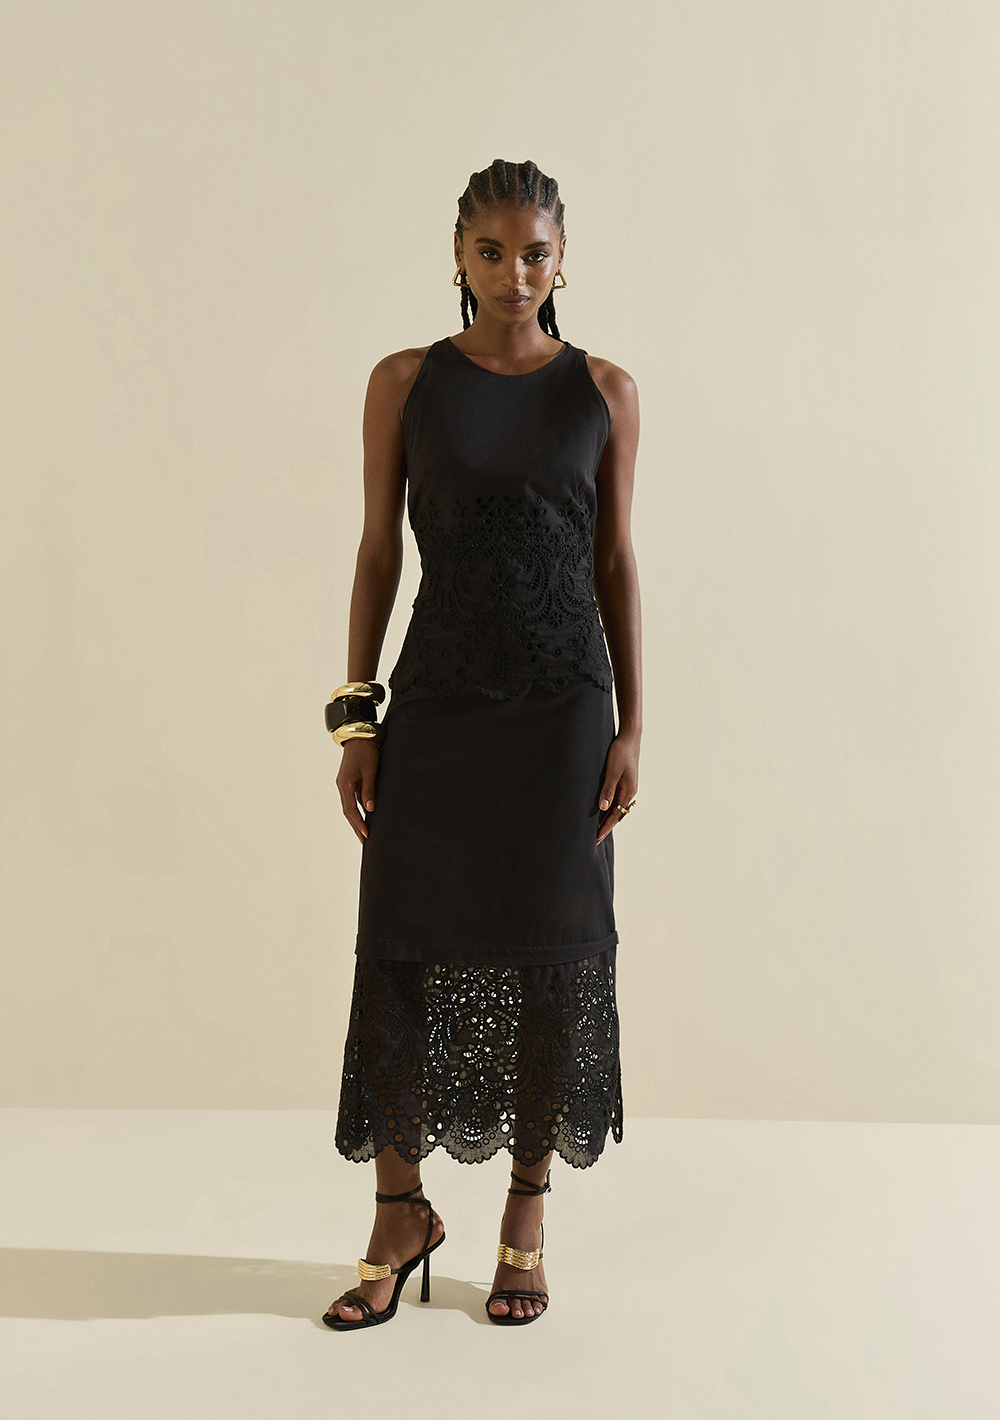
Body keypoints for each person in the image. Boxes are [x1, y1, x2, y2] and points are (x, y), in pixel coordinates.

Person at [322, 159, 641, 1329]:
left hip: (563, 713)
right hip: (439, 704)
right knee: (401, 948)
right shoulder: (405, 383)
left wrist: (633, 726)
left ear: (563, 259)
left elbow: (615, 561)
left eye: (535, 253)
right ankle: (397, 1211)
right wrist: (357, 716)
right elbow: (376, 552)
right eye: (493, 252)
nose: (515, 274)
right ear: (458, 255)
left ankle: (525, 1215)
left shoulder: (603, 390)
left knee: (552, 959)